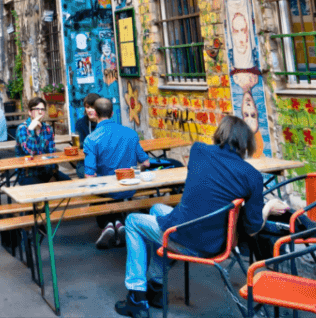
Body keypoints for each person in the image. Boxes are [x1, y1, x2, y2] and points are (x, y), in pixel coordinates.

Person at [114, 115, 283, 317]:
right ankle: (156, 287)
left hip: (187, 238)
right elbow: (253, 227)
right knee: (157, 209)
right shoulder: (252, 175)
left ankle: (136, 297)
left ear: (220, 133)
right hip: (215, 243)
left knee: (132, 221)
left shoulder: (199, 151)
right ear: (247, 143)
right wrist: (270, 205)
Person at [84, 97, 151, 249]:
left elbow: (89, 175)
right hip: (129, 187)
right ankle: (118, 222)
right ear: (112, 113)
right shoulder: (131, 133)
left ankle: (108, 224)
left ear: (96, 113)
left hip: (107, 189)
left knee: (98, 189)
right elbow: (146, 162)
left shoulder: (91, 139)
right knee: (115, 188)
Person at [14, 96, 57, 184]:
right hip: (27, 173)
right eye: (37, 109)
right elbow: (30, 152)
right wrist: (31, 130)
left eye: (42, 109)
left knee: (69, 184)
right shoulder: (22, 128)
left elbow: (51, 152)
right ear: (30, 112)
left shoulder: (48, 128)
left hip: (46, 171)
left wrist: (53, 173)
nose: (40, 112)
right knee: (43, 192)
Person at [75, 93, 101, 177]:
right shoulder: (80, 123)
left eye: (92, 107)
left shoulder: (104, 121)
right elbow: (81, 145)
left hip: (103, 159)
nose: (89, 110)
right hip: (85, 160)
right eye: (87, 107)